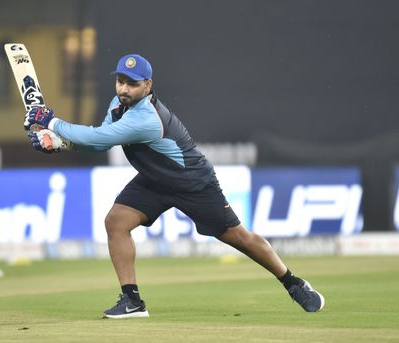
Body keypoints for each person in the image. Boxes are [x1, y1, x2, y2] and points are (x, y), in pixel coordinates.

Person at [25, 54, 325, 319]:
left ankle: (292, 282)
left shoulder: (147, 118)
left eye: (132, 83)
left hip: (192, 182)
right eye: (120, 81)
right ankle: (132, 301)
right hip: (155, 180)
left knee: (238, 237)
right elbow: (100, 141)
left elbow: (95, 138)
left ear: (148, 85)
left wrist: (51, 121)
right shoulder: (118, 104)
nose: (124, 89)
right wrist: (60, 144)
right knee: (116, 222)